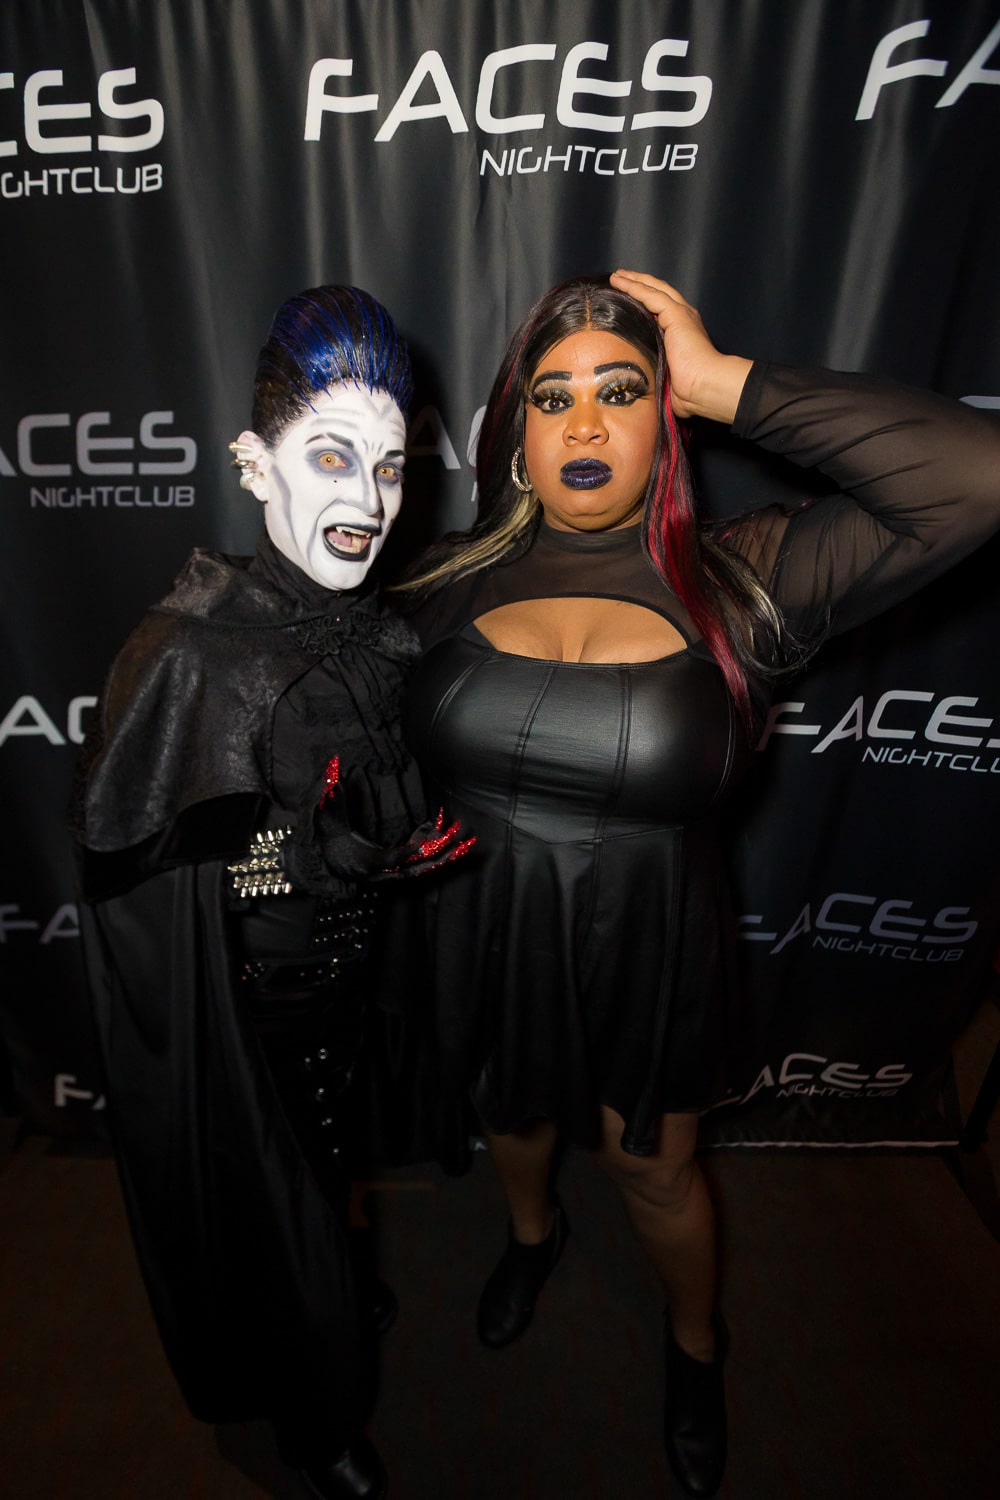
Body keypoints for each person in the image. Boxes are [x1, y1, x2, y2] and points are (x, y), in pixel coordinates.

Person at [397, 269, 1000, 1497]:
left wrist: (730, 383)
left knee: (653, 1169)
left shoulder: (743, 581)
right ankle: (531, 1237)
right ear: (515, 434)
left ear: (664, 421)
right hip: (487, 930)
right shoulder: (442, 578)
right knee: (511, 1120)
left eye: (620, 392)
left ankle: (694, 1345)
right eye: (552, 396)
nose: (582, 423)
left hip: (650, 945)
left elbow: (974, 477)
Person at [72, 285, 471, 1500]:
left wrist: (386, 854)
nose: (369, 501)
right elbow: (131, 875)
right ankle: (313, 1413)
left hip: (348, 996)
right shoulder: (185, 650)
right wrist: (300, 860)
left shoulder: (379, 633)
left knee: (325, 1182)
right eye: (332, 458)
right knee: (268, 1207)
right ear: (255, 463)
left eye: (389, 468)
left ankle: (328, 1288)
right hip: (245, 1022)